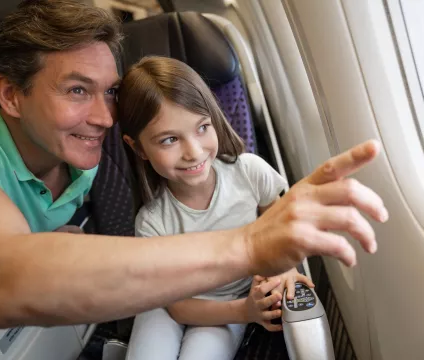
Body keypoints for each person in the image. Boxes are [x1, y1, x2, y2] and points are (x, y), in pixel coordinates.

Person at [0, 0, 388, 330]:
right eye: (77, 90)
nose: (105, 118)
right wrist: (251, 245)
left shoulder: (74, 143)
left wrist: (49, 236)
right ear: (9, 95)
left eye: (110, 91)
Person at [117, 56, 315, 360]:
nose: (193, 152)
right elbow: (178, 307)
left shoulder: (250, 173)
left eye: (202, 127)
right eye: (169, 139)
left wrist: (285, 272)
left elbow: (281, 236)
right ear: (139, 147)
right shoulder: (153, 222)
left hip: (232, 304)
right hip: (170, 305)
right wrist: (245, 311)